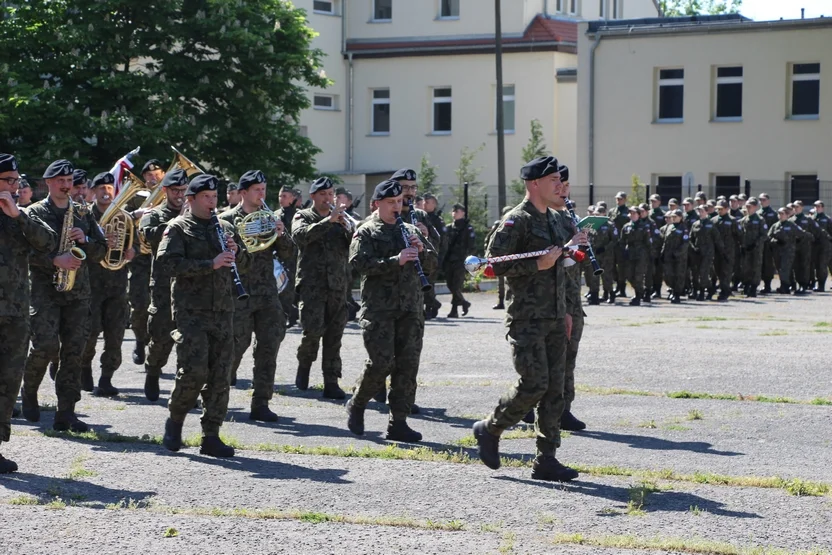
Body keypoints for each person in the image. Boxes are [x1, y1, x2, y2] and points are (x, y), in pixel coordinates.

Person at [473, 155, 583, 483]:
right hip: (526, 316)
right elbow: (493, 265)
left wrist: (565, 311)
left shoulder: (558, 220)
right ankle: (490, 428)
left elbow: (563, 272)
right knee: (534, 383)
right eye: (553, 181)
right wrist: (537, 265)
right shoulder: (515, 221)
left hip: (554, 315)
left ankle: (546, 459)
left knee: (555, 391)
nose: (559, 185)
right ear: (535, 184)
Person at [157, 173, 250, 458]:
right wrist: (209, 264)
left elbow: (243, 263)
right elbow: (166, 263)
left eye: (214, 197)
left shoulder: (223, 226)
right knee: (193, 372)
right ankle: (175, 421)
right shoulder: (178, 228)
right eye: (206, 198)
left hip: (223, 310)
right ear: (191, 199)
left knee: (221, 376)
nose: (212, 202)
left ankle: (211, 435)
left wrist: (237, 252)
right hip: (191, 312)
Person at [347, 179, 438, 442]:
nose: (396, 207)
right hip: (379, 309)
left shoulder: (410, 229)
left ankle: (398, 421)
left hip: (410, 308)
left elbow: (433, 265)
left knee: (407, 367)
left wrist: (422, 251)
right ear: (377, 204)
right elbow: (359, 264)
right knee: (381, 362)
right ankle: (358, 402)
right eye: (391, 203)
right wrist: (394, 261)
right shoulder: (366, 230)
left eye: (399, 202)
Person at [21, 159, 108, 431]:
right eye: (60, 181)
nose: (67, 186)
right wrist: (54, 260)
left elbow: (102, 251)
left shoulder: (82, 212)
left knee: (74, 352)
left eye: (70, 181)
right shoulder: (33, 213)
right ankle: (30, 388)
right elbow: (24, 253)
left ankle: (66, 412)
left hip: (78, 292)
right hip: (45, 291)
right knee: (45, 346)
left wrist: (87, 241)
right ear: (48, 183)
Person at [219, 170, 294, 422]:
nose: (262, 194)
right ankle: (216, 395)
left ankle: (261, 402)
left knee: (269, 347)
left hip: (267, 294)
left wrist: (281, 234)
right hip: (237, 294)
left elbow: (290, 254)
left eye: (264, 189)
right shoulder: (227, 220)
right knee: (233, 347)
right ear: (243, 193)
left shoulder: (270, 218)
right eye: (256, 190)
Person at [0, 154, 57, 473]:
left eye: (17, 181)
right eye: (8, 180)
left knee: (8, 382)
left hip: (15, 313)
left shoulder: (19, 216)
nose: (15, 186)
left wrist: (18, 215)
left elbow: (48, 242)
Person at [291, 177, 352, 399]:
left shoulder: (342, 219)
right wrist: (328, 221)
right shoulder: (303, 216)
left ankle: (331, 381)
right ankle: (304, 364)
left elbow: (353, 245)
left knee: (334, 337)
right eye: (323, 194)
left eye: (330, 194)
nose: (328, 198)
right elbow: (300, 237)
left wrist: (346, 226)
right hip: (312, 286)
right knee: (312, 332)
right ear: (313, 196)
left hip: (337, 286)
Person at [80, 172, 136, 397]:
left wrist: (133, 251)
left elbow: (135, 244)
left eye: (109, 189)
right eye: (101, 189)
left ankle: (106, 378)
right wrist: (101, 242)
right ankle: (84, 368)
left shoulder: (123, 217)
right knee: (90, 332)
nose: (105, 193)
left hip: (117, 284)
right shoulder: (84, 216)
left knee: (115, 334)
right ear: (93, 192)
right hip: (91, 284)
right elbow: (79, 244)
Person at [139, 169, 188, 401]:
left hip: (191, 287)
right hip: (162, 286)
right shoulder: (154, 214)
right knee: (161, 338)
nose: (180, 195)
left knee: (189, 340)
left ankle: (185, 387)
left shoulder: (198, 214)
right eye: (176, 190)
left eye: (183, 190)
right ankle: (152, 370)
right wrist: (181, 220)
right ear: (166, 191)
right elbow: (151, 235)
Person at [128, 159, 166, 365]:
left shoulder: (172, 196)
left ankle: (156, 347)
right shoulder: (136, 197)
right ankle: (140, 340)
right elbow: (121, 217)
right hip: (141, 259)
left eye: (157, 174)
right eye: (149, 176)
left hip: (162, 257)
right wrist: (136, 214)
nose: (153, 178)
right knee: (139, 303)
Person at [393, 169, 442, 320]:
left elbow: (435, 251)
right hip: (390, 290)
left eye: (413, 187)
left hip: (414, 290)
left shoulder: (421, 215)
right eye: (405, 187)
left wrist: (425, 238)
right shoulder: (388, 213)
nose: (410, 192)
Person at [444, 203, 474, 318]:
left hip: (460, 260)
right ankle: (464, 303)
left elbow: (471, 245)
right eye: (453, 211)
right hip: (449, 260)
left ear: (463, 213)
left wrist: (468, 260)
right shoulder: (448, 228)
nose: (454, 213)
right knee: (450, 285)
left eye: (457, 211)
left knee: (456, 286)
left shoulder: (467, 228)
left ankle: (454, 309)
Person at [276, 185, 300, 327]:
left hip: (295, 259)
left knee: (291, 292)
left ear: (293, 198)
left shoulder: (299, 215)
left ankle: (290, 314)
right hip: (279, 260)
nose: (281, 199)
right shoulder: (274, 215)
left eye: (285, 196)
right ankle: (285, 316)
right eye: (280, 196)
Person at [689, 205, 722, 301]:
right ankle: (711, 289)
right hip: (697, 252)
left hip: (708, 252)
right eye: (699, 211)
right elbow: (691, 238)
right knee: (697, 273)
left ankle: (702, 292)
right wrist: (693, 248)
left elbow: (717, 238)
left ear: (707, 212)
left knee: (704, 272)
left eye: (702, 211)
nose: (700, 213)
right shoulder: (695, 224)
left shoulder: (711, 224)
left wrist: (721, 251)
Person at [620, 206, 651, 306]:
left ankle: (638, 296)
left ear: (639, 215)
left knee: (638, 276)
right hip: (630, 254)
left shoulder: (644, 226)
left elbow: (648, 243)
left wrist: (647, 255)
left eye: (634, 213)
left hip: (641, 255)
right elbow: (622, 241)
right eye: (631, 213)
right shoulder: (626, 227)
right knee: (629, 275)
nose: (632, 215)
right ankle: (640, 291)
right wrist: (623, 252)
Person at [423, 193, 447, 314]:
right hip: (422, 255)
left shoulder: (437, 221)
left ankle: (429, 308)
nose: (425, 203)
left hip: (433, 256)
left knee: (429, 283)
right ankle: (433, 303)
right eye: (424, 201)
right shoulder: (421, 217)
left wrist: (440, 258)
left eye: (428, 202)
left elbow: (443, 241)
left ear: (435, 204)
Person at [712, 200, 740, 301]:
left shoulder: (732, 220)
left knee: (726, 272)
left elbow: (739, 235)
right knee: (718, 271)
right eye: (718, 209)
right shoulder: (713, 220)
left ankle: (724, 291)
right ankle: (724, 288)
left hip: (728, 251)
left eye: (721, 209)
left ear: (727, 209)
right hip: (717, 250)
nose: (719, 211)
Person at [739, 198, 767, 297]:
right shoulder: (743, 220)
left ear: (755, 207)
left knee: (756, 267)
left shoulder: (760, 220)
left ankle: (754, 288)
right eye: (746, 206)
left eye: (749, 206)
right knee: (746, 268)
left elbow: (764, 235)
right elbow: (740, 234)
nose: (748, 208)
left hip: (756, 249)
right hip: (746, 248)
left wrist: (755, 244)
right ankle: (746, 286)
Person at [661, 210, 689, 304]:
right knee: (668, 275)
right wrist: (662, 253)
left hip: (679, 258)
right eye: (672, 216)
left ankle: (677, 294)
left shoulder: (684, 228)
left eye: (675, 216)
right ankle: (672, 289)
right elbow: (665, 241)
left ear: (680, 217)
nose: (673, 218)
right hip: (668, 256)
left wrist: (677, 254)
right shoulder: (669, 227)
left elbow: (685, 244)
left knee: (678, 276)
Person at [768, 208, 798, 294]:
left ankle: (786, 286)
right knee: (779, 268)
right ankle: (784, 285)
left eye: (782, 214)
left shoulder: (791, 225)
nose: (780, 216)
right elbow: (768, 237)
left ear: (788, 215)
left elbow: (800, 234)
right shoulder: (775, 226)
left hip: (788, 251)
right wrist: (775, 241)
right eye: (779, 214)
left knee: (785, 268)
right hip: (777, 251)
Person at [609, 192, 630, 297]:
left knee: (622, 267)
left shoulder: (628, 212)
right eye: (617, 199)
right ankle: (617, 284)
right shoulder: (612, 211)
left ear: (625, 200)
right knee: (612, 266)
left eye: (620, 199)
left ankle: (622, 288)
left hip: (622, 243)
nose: (618, 201)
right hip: (613, 243)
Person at [758, 193, 779, 294]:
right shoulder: (757, 213)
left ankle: (767, 285)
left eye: (764, 200)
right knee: (759, 263)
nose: (762, 202)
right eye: (760, 200)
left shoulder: (773, 213)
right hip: (759, 243)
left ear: (768, 201)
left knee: (768, 264)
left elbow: (776, 227)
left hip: (768, 243)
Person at [811, 200, 832, 291]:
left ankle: (821, 285)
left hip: (825, 245)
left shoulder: (827, 219)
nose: (817, 208)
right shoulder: (811, 219)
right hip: (814, 245)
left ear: (822, 208)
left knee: (822, 265)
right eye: (815, 206)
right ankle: (816, 283)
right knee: (816, 265)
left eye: (819, 206)